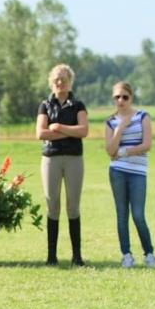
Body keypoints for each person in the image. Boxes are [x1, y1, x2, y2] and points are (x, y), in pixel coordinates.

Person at [35, 64, 89, 266]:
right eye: (57, 79)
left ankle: (77, 256)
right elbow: (41, 133)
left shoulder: (78, 105)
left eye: (64, 78)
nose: (60, 82)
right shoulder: (45, 105)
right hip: (51, 158)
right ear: (51, 81)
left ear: (70, 81)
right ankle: (51, 255)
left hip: (74, 158)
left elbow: (83, 130)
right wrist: (69, 132)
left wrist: (58, 128)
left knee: (73, 206)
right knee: (52, 204)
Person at [104, 81, 155, 268]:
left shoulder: (143, 117)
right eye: (117, 97)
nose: (121, 100)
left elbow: (147, 145)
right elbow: (110, 150)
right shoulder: (111, 122)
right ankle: (126, 254)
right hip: (117, 172)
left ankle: (149, 253)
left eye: (124, 97)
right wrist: (120, 128)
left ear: (131, 97)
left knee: (138, 215)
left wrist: (124, 152)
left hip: (137, 173)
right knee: (121, 215)